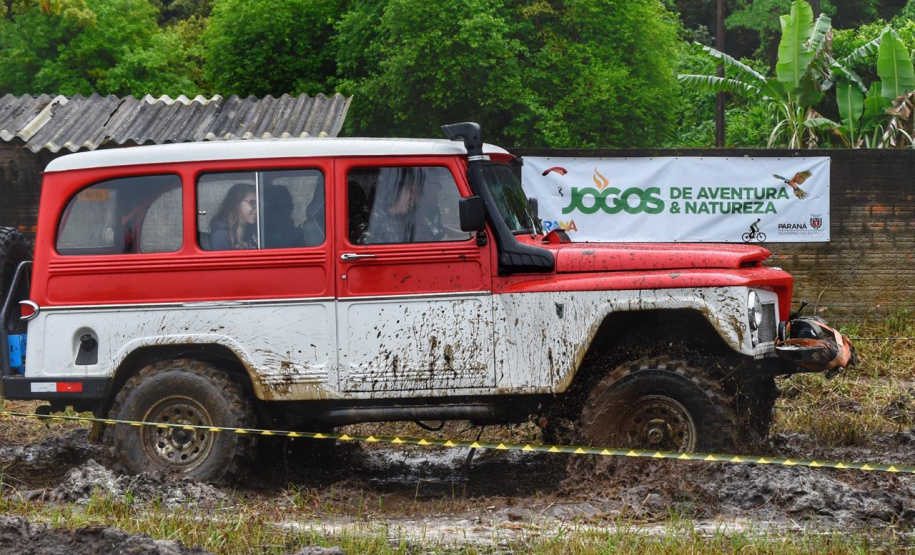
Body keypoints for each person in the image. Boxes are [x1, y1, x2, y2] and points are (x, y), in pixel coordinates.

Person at [209, 183, 258, 250]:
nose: (258, 209)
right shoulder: (221, 235)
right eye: (253, 203)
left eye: (259, 204)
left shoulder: (253, 229)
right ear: (236, 204)